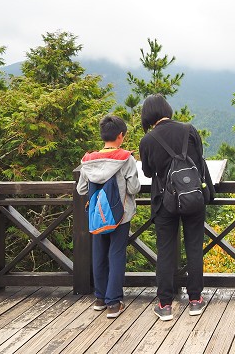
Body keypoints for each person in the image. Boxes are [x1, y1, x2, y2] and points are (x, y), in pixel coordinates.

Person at [138, 93, 215, 321]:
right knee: (194, 247)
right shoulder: (189, 130)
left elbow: (148, 172)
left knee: (166, 251)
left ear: (147, 116)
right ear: (167, 109)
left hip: (165, 202)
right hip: (192, 197)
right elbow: (199, 159)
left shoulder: (148, 140)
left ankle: (165, 304)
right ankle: (195, 300)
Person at [76, 114, 141, 318]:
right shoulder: (126, 158)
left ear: (103, 135)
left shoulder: (88, 160)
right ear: (121, 136)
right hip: (120, 215)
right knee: (116, 254)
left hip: (97, 215)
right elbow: (134, 187)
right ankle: (114, 303)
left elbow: (81, 189)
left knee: (99, 254)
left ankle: (100, 298)